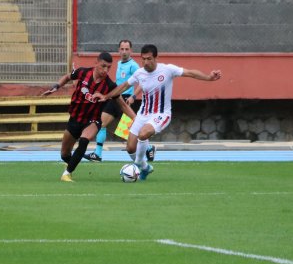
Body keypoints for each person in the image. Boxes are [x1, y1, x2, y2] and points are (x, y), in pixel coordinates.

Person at [94, 44, 222, 180]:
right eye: (143, 59)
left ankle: (136, 166)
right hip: (143, 113)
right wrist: (106, 96)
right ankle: (145, 168)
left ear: (156, 58)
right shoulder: (139, 73)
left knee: (143, 134)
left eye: (149, 59)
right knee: (130, 147)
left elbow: (190, 72)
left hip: (161, 114)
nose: (145, 62)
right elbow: (124, 86)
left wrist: (209, 77)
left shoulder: (167, 70)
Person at [42, 51, 136, 182]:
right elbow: (67, 77)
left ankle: (67, 173)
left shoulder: (109, 85)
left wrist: (137, 120)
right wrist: (56, 86)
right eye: (103, 66)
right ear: (96, 62)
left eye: (109, 67)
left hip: (93, 119)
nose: (105, 70)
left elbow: (123, 106)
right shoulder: (82, 72)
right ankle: (70, 164)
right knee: (64, 154)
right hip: (75, 118)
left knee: (84, 140)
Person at [83, 39, 155, 163]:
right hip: (115, 98)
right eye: (122, 49)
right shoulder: (119, 63)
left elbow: (143, 82)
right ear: (118, 50)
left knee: (134, 128)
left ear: (131, 51)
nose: (124, 52)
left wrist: (133, 96)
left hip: (126, 99)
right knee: (102, 123)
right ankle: (97, 154)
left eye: (127, 49)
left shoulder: (133, 65)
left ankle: (148, 148)